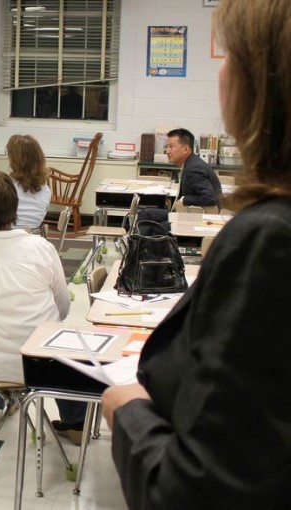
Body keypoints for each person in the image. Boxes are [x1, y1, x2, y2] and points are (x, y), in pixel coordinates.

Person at [101, 1, 291, 507]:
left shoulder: (269, 241)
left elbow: (198, 488)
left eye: (229, 54)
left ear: (262, 83)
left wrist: (130, 412)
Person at [0, 170, 85, 442]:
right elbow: (63, 307)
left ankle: (6, 398)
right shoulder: (40, 248)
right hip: (42, 364)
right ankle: (74, 422)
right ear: (15, 209)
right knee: (75, 344)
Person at [136, 128, 222, 234]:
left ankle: (143, 248)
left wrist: (185, 199)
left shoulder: (194, 168)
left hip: (198, 218)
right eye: (167, 147)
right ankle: (139, 247)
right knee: (145, 214)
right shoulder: (191, 163)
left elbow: (210, 198)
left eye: (171, 147)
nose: (167, 151)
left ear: (186, 149)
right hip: (188, 213)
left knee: (158, 228)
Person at [6, 134, 52, 230]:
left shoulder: (6, 187)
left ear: (14, 161)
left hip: (7, 239)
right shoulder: (46, 190)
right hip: (33, 239)